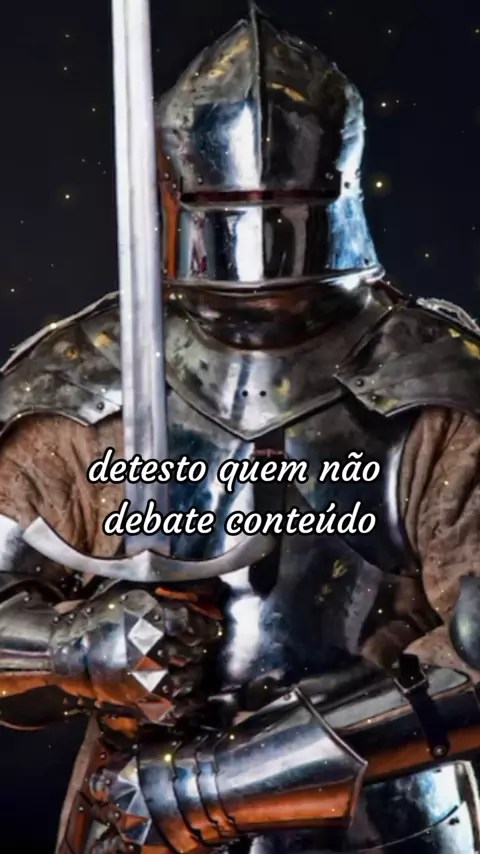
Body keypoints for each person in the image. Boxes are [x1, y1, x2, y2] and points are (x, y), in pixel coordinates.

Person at [1, 7, 480, 853]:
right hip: (134, 822)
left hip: (377, 825)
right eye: (231, 202)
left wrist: (212, 786)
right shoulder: (84, 380)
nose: (258, 231)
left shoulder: (433, 383)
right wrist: (72, 648)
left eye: (282, 202)